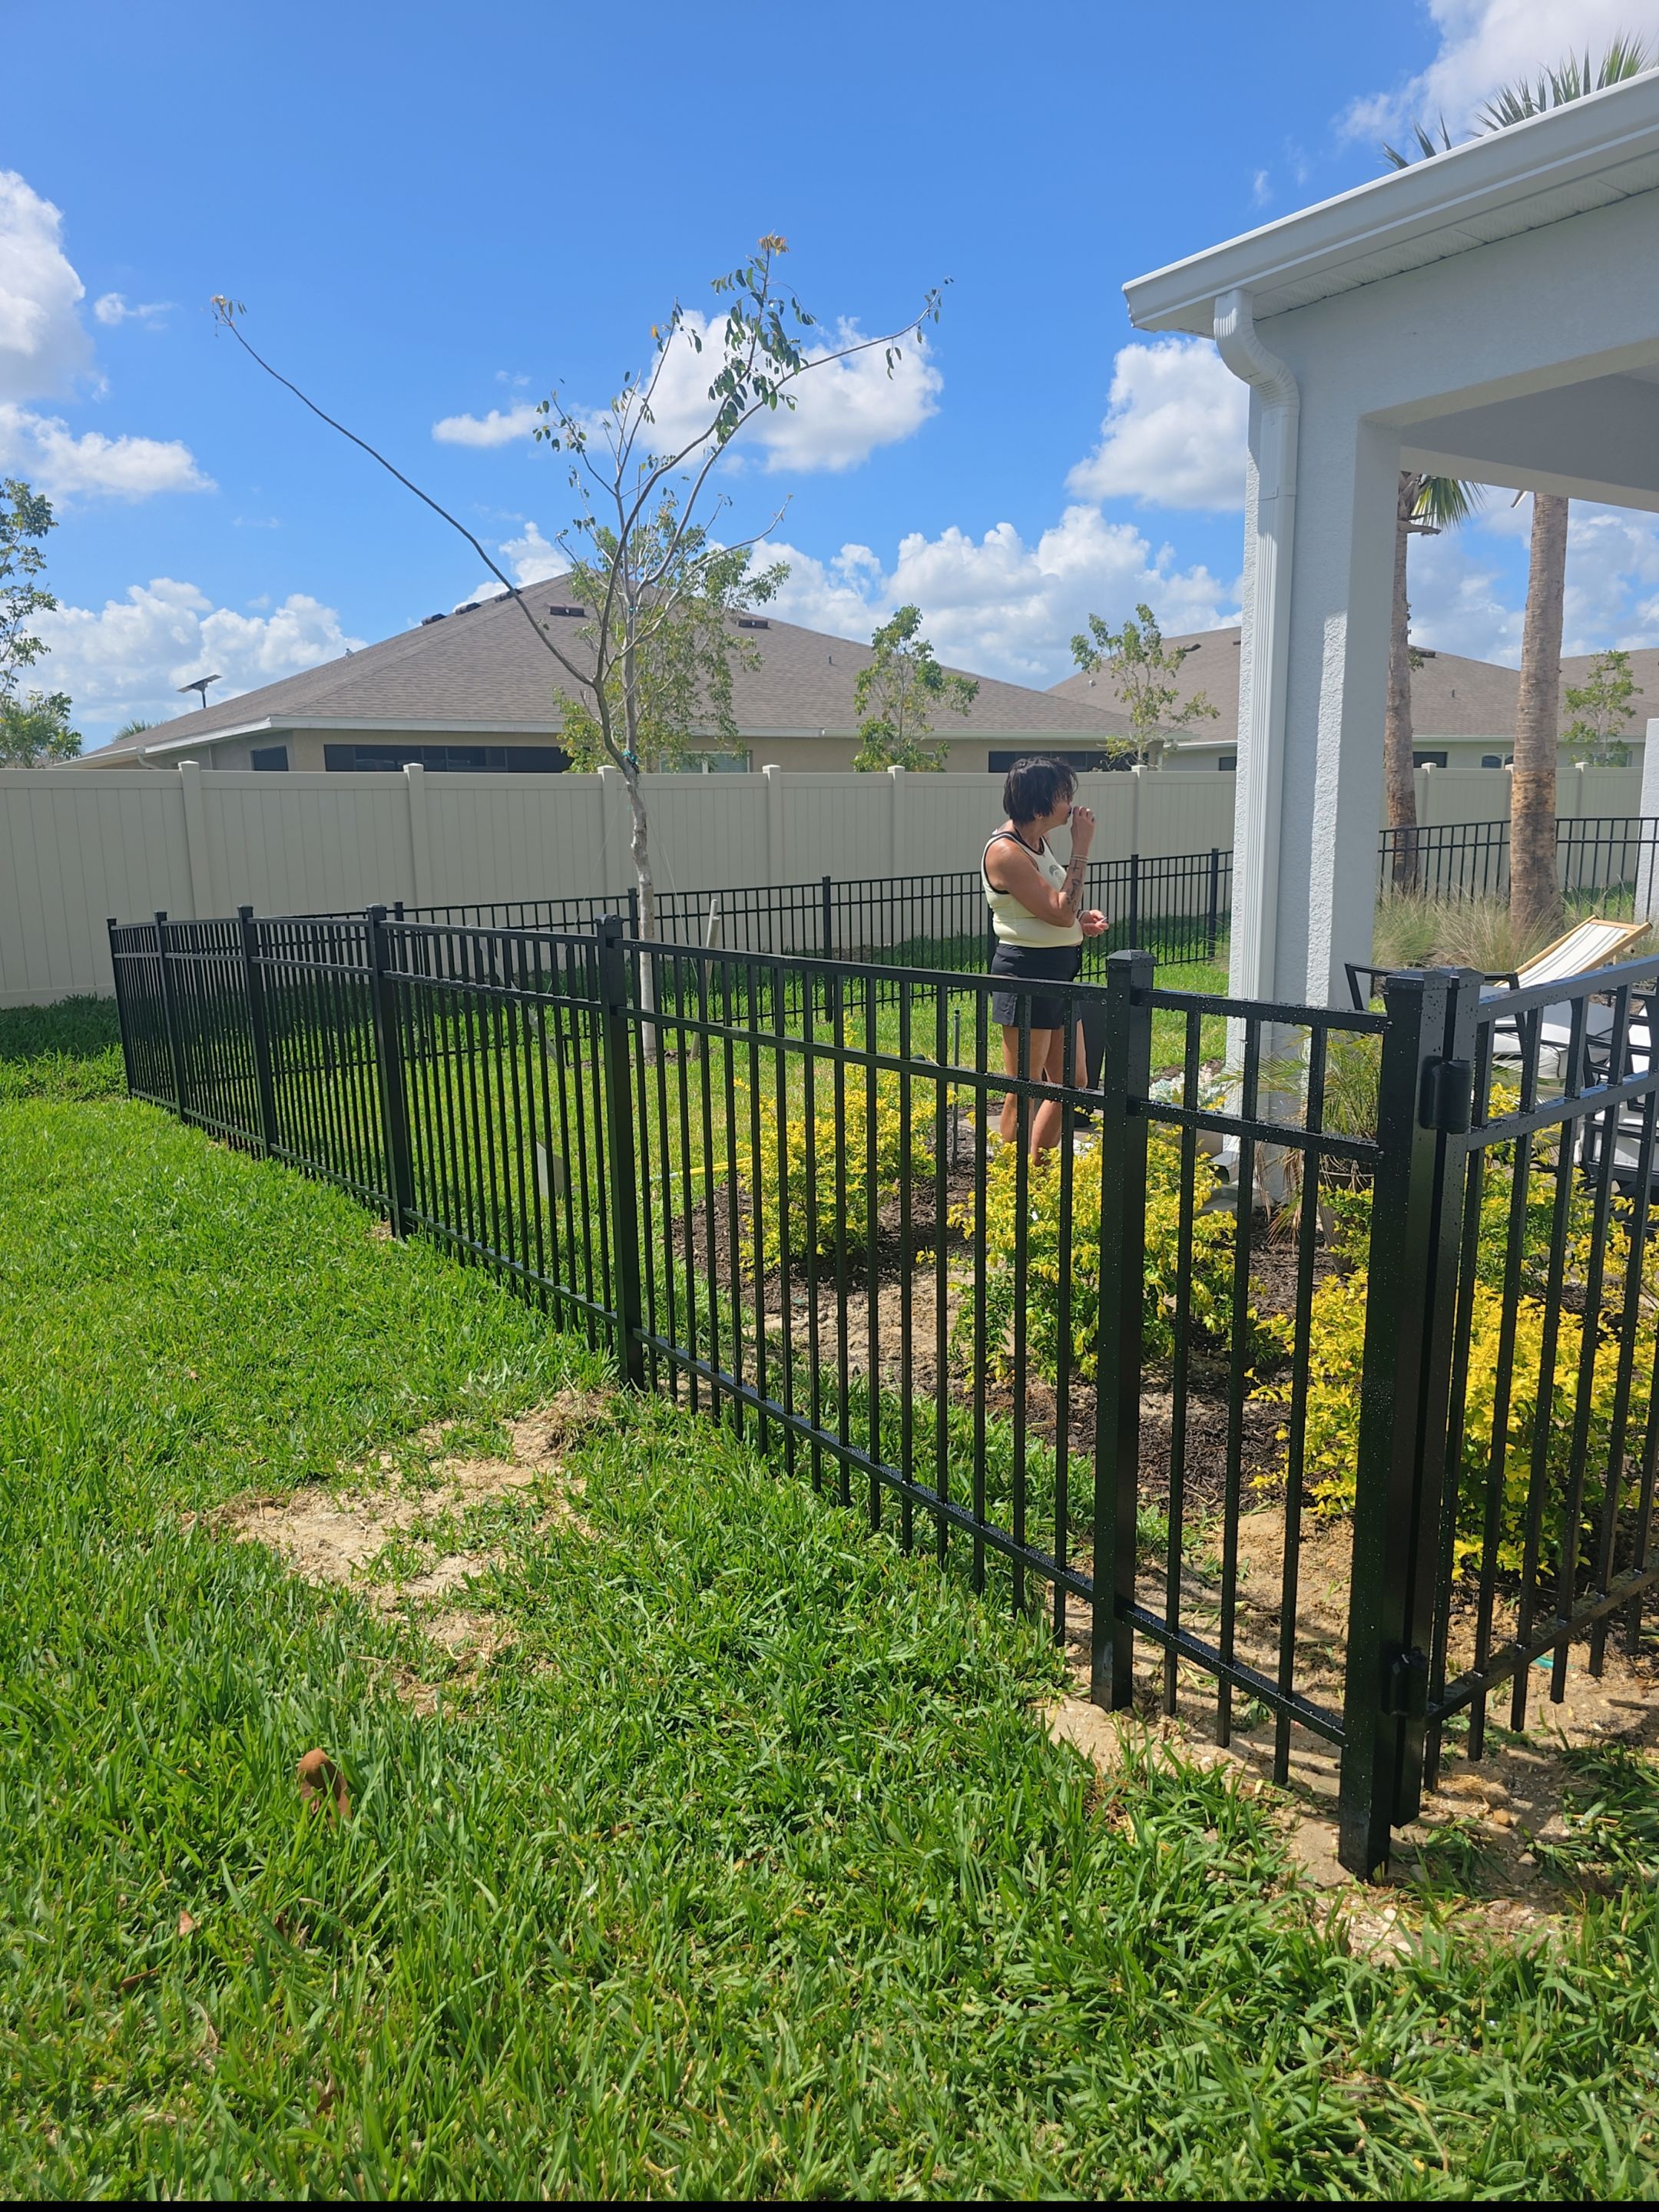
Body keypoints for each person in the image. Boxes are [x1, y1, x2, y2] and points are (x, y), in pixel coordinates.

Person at [982, 757, 1107, 1154]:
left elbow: (1051, 908)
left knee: (1072, 1083)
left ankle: (1038, 1171)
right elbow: (1057, 910)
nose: (1071, 804)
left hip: (1058, 973)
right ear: (1039, 807)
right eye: (1063, 795)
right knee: (1026, 1087)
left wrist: (1080, 921)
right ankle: (1012, 1178)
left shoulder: (1038, 843)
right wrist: (1081, 848)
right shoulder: (1005, 852)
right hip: (1026, 974)